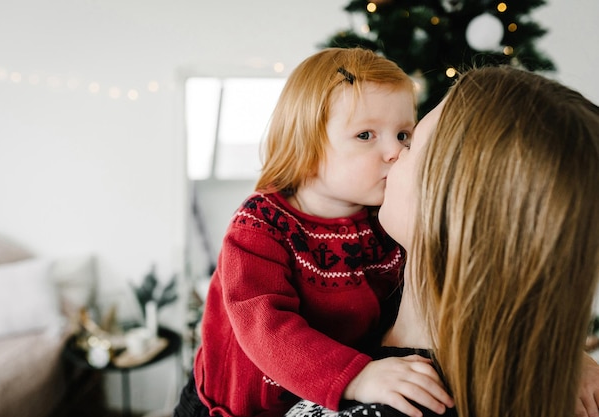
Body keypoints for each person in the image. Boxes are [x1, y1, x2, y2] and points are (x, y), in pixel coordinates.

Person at [286, 65, 599, 417]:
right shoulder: (369, 290)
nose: (394, 154)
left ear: (450, 207)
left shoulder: (407, 403)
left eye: (411, 142)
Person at [173, 47, 454, 417]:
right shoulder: (261, 225)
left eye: (404, 134)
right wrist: (357, 377)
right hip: (233, 406)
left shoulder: (385, 221)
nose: (395, 152)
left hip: (317, 398)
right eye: (366, 134)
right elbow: (265, 328)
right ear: (305, 146)